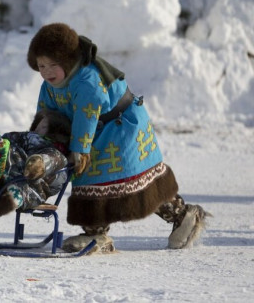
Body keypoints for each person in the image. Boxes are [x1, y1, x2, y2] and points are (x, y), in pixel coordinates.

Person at [26, 22, 208, 253]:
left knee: (130, 180)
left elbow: (87, 113)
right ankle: (96, 233)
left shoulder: (87, 80)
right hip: (96, 130)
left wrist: (79, 149)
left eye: (53, 64)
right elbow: (45, 114)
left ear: (68, 60)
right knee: (89, 180)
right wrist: (37, 144)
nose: (47, 71)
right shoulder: (49, 85)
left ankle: (184, 216)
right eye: (41, 65)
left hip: (121, 127)